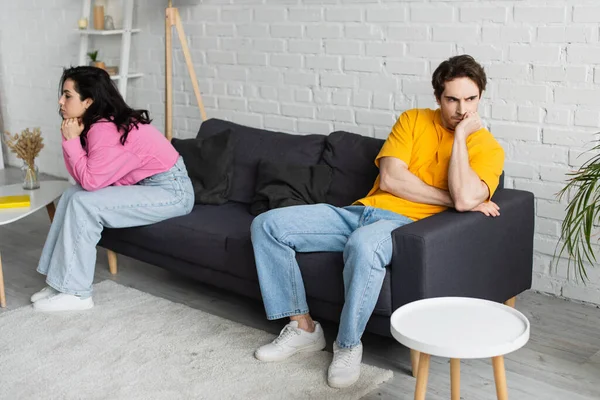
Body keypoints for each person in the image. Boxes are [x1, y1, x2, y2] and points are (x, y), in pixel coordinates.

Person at [250, 55, 505, 388]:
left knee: (364, 245)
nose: (461, 109)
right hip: (361, 211)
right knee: (267, 225)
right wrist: (456, 201)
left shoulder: (487, 147)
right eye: (452, 99)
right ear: (437, 98)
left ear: (480, 97)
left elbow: (463, 192)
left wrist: (460, 139)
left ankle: (348, 344)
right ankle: (304, 328)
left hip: (403, 225)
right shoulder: (413, 120)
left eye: (470, 99)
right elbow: (391, 180)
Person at [31, 66, 194, 312]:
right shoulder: (94, 124)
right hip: (146, 186)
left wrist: (71, 140)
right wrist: (70, 139)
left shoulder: (104, 130)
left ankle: (77, 294)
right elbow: (80, 176)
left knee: (84, 202)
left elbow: (91, 182)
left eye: (67, 95)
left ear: (88, 101)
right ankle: (59, 283)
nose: (60, 101)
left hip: (172, 191)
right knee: (71, 194)